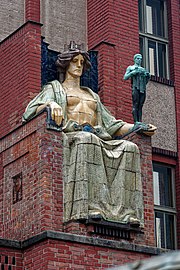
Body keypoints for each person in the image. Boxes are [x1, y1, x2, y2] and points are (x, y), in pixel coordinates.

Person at [23, 42, 155, 227]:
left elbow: (112, 125)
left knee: (129, 148)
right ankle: (90, 207)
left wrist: (137, 127)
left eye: (81, 62)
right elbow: (28, 113)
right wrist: (50, 105)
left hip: (98, 136)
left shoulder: (92, 94)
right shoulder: (53, 89)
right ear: (65, 64)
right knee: (88, 140)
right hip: (72, 136)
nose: (78, 65)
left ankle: (127, 214)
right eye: (74, 61)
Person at [124, 54, 150, 123]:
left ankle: (140, 121)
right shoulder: (131, 67)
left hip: (142, 88)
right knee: (135, 104)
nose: (139, 60)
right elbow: (125, 77)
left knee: (140, 105)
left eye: (141, 59)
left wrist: (147, 76)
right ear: (134, 59)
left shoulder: (143, 69)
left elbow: (146, 82)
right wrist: (133, 72)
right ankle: (136, 121)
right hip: (135, 87)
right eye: (138, 58)